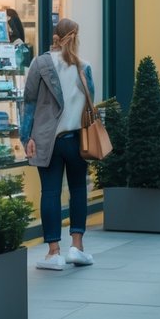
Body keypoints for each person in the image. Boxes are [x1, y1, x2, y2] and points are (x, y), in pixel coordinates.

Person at [22, 18, 96, 270]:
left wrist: (26, 137)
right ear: (76, 37)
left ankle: (54, 252)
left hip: (47, 140)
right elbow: (90, 104)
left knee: (50, 192)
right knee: (78, 190)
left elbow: (29, 103)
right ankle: (77, 246)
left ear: (55, 36)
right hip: (77, 139)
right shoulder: (83, 67)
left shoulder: (39, 63)